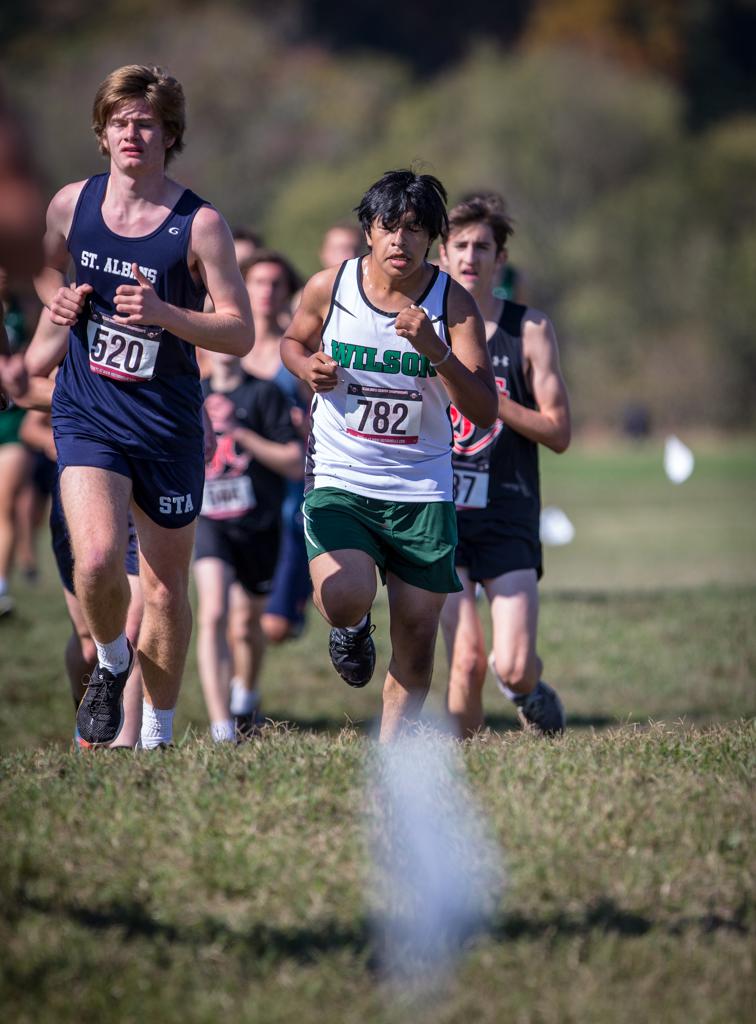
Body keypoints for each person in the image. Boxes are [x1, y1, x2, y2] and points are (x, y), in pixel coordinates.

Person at [34, 64, 253, 748]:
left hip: (167, 425)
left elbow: (240, 331)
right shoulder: (72, 204)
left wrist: (165, 313)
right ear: (102, 133)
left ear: (170, 134)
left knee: (163, 591)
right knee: (96, 561)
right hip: (87, 411)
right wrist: (57, 299)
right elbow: (42, 266)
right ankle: (110, 660)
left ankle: (155, 731)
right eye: (120, 122)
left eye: (147, 123)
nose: (133, 134)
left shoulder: (200, 224)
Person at [281, 168, 498, 741]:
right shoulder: (331, 286)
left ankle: (392, 755)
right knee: (344, 595)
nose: (400, 241)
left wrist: (436, 351)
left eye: (415, 229)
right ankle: (350, 628)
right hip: (341, 474)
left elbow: (483, 409)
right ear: (368, 231)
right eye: (389, 227)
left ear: (433, 239)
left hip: (421, 488)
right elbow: (292, 341)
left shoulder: (454, 305)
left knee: (418, 633)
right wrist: (308, 367)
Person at [438, 193, 571, 737]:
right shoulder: (421, 328)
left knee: (511, 666)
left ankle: (529, 692)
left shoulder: (529, 329)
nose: (471, 256)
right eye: (461, 245)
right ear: (442, 254)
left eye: (483, 247)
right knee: (466, 661)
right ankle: (470, 776)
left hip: (509, 512)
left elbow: (558, 432)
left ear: (501, 258)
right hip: (441, 516)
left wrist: (487, 399)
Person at [194, 349, 302, 741]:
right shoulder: (192, 391)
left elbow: (294, 460)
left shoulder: (265, 393)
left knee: (244, 626)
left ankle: (246, 695)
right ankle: (222, 726)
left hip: (258, 525)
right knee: (214, 613)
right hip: (209, 523)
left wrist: (242, 435)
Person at [241, 249, 310, 647]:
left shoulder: (297, 348)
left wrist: (308, 425)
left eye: (275, 284)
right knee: (227, 609)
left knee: (274, 627)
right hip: (230, 490)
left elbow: (322, 408)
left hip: (285, 493)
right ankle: (233, 703)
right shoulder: (217, 347)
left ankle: (292, 608)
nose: (266, 292)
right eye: (257, 282)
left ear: (287, 292)